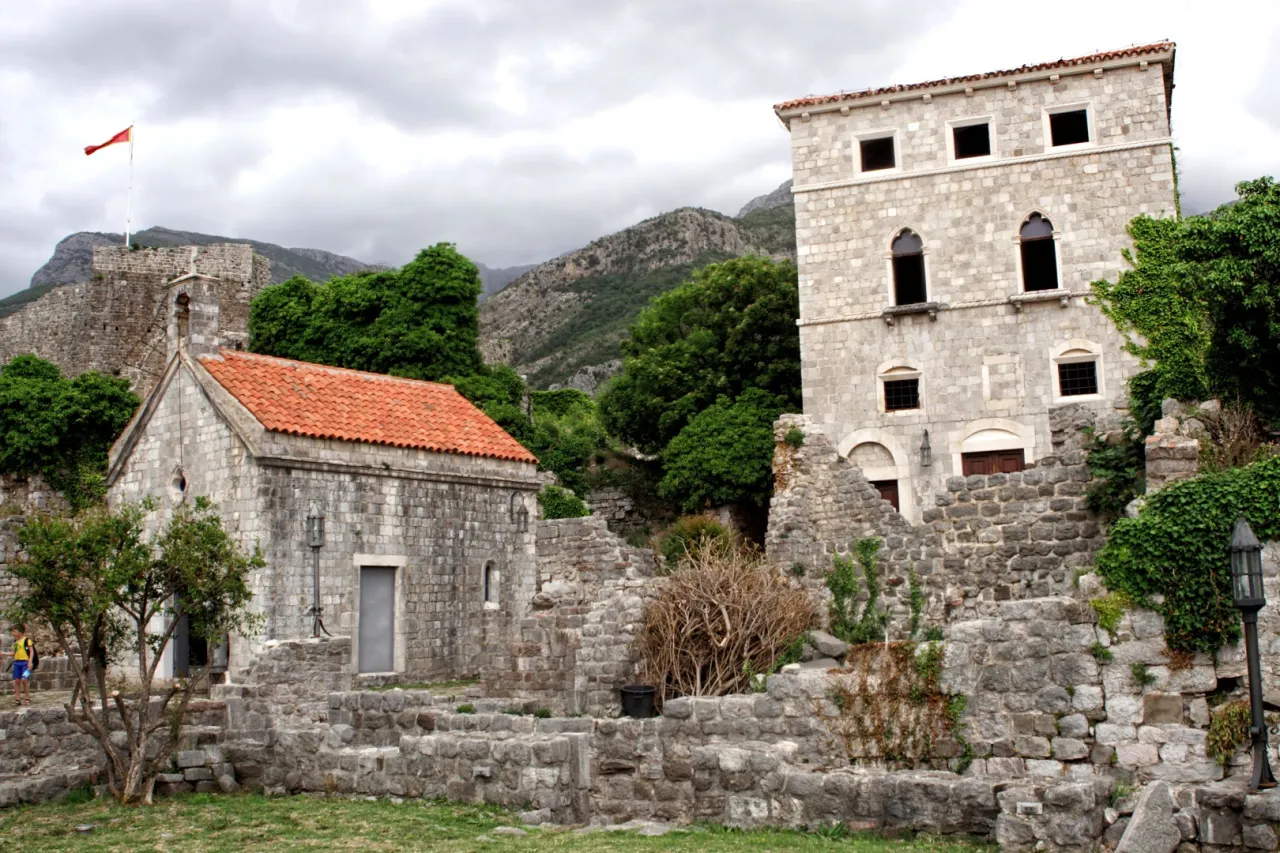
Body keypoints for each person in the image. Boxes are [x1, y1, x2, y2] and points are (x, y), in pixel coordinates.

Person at [7, 625, 33, 706]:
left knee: (25, 680)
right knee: (17, 681)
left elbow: (32, 652)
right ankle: (17, 699)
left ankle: (27, 698)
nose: (13, 633)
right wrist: (3, 653)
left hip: (25, 663)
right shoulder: (15, 643)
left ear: (21, 632)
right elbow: (14, 653)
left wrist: (30, 662)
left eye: (15, 631)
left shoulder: (27, 640)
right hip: (17, 663)